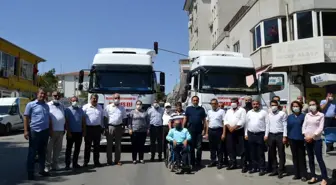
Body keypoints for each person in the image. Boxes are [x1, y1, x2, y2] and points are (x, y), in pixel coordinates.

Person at [24, 87, 52, 180]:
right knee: (32, 153)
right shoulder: (31, 105)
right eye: (41, 93)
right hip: (35, 131)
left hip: (45, 131)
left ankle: (41, 170)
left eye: (44, 94)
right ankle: (30, 172)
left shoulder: (46, 106)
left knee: (42, 152)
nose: (43, 95)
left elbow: (48, 118)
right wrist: (26, 130)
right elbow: (26, 118)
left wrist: (49, 130)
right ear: (37, 94)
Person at [303, 99, 328, 185]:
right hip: (307, 139)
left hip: (316, 140)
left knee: (319, 159)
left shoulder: (321, 115)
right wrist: (305, 136)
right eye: (310, 105)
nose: (311, 106)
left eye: (313, 104)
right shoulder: (307, 115)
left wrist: (313, 136)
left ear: (317, 105)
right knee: (310, 159)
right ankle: (313, 176)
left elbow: (320, 128)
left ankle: (325, 178)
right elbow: (304, 126)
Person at [245, 100, 269, 176]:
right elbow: (246, 124)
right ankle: (254, 167)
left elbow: (267, 124)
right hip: (251, 134)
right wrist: (246, 134)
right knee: (252, 152)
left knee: (260, 153)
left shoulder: (264, 112)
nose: (255, 105)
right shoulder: (249, 113)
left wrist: (266, 135)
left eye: (257, 104)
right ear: (252, 105)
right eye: (254, 104)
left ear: (259, 105)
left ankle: (262, 168)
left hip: (260, 135)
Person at [82, 94, 106, 167]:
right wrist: (83, 129)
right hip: (88, 129)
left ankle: (96, 161)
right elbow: (82, 118)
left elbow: (102, 118)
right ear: (90, 99)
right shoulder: (85, 107)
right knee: (87, 146)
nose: (95, 100)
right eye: (93, 98)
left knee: (97, 146)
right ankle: (86, 162)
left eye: (96, 99)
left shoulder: (100, 107)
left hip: (97, 129)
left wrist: (102, 128)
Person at [183, 96, 207, 168]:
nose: (195, 102)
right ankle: (192, 162)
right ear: (192, 101)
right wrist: (183, 128)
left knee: (199, 147)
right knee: (192, 147)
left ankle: (198, 162)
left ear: (198, 101)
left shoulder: (201, 109)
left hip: (199, 131)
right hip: (190, 130)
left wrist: (204, 130)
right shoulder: (188, 109)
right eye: (194, 100)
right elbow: (185, 119)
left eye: (196, 100)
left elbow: (204, 120)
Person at [287, 101, 308, 182]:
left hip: (301, 139)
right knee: (294, 157)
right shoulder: (290, 117)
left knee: (301, 157)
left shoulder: (304, 116)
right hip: (292, 139)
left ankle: (304, 175)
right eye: (294, 106)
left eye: (297, 106)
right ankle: (297, 174)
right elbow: (288, 128)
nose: (295, 108)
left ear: (300, 107)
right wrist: (287, 138)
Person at [266, 100, 287, 178]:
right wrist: (266, 135)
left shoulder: (282, 114)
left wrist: (285, 136)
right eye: (272, 105)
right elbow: (267, 125)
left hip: (280, 135)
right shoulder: (269, 114)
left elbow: (285, 125)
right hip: (271, 135)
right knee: (272, 153)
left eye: (275, 105)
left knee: (281, 153)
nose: (273, 106)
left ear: (278, 106)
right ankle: (274, 169)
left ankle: (281, 170)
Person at [224, 98, 246, 171]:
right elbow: (225, 120)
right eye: (232, 102)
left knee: (242, 148)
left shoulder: (242, 110)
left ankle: (244, 165)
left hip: (239, 131)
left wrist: (235, 127)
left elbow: (242, 120)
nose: (233, 103)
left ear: (237, 102)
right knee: (230, 148)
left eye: (234, 102)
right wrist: (229, 127)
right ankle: (233, 163)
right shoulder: (228, 111)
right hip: (230, 131)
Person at [46, 91, 66, 172]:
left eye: (58, 96)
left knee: (58, 149)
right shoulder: (47, 105)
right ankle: (47, 166)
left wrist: (64, 128)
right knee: (48, 149)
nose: (56, 97)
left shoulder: (62, 105)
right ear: (52, 96)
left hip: (60, 131)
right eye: (55, 95)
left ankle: (55, 164)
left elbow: (63, 117)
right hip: (51, 131)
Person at [104, 93, 127, 166]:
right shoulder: (108, 107)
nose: (117, 99)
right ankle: (109, 161)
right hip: (110, 127)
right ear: (113, 99)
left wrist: (123, 127)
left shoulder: (122, 108)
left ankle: (117, 160)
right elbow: (105, 117)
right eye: (115, 98)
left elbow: (124, 118)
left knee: (118, 145)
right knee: (109, 145)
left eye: (118, 98)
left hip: (119, 127)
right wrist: (105, 128)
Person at [64, 96, 86, 170]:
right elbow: (66, 122)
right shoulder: (67, 110)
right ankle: (67, 164)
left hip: (79, 132)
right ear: (70, 101)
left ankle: (75, 163)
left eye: (76, 100)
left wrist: (84, 131)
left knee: (77, 149)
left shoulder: (80, 110)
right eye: (73, 101)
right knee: (69, 149)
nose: (75, 102)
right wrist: (68, 132)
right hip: (71, 132)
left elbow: (83, 121)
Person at [205, 98, 225, 169]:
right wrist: (206, 133)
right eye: (212, 104)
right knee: (212, 147)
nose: (213, 105)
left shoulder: (221, 111)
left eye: (215, 103)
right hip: (211, 131)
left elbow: (224, 123)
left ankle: (220, 162)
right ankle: (213, 161)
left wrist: (223, 133)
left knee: (219, 148)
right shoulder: (209, 112)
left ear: (217, 104)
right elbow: (207, 122)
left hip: (219, 130)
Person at [242, 96, 252, 172]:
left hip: (252, 132)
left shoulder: (254, 108)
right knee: (244, 149)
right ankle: (244, 165)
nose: (248, 101)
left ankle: (252, 164)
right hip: (243, 132)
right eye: (246, 100)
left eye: (249, 100)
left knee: (252, 149)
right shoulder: (242, 109)